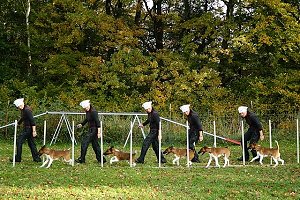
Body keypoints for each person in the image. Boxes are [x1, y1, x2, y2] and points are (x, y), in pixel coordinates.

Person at [10, 98, 41, 163]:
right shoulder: (24, 109)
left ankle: (18, 158)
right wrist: (18, 123)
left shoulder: (27, 110)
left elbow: (32, 121)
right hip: (28, 129)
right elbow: (23, 118)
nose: (19, 108)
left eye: (19, 106)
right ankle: (37, 159)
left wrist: (34, 131)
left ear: (21, 104)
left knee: (19, 141)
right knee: (31, 144)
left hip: (28, 129)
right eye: (18, 107)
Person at [75, 100, 106, 164]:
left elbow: (97, 122)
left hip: (94, 130)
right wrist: (81, 124)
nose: (86, 108)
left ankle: (82, 159)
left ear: (89, 105)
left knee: (84, 142)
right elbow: (87, 119)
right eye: (85, 108)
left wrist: (99, 132)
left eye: (86, 107)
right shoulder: (88, 111)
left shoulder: (93, 112)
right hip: (91, 129)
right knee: (95, 145)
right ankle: (101, 159)